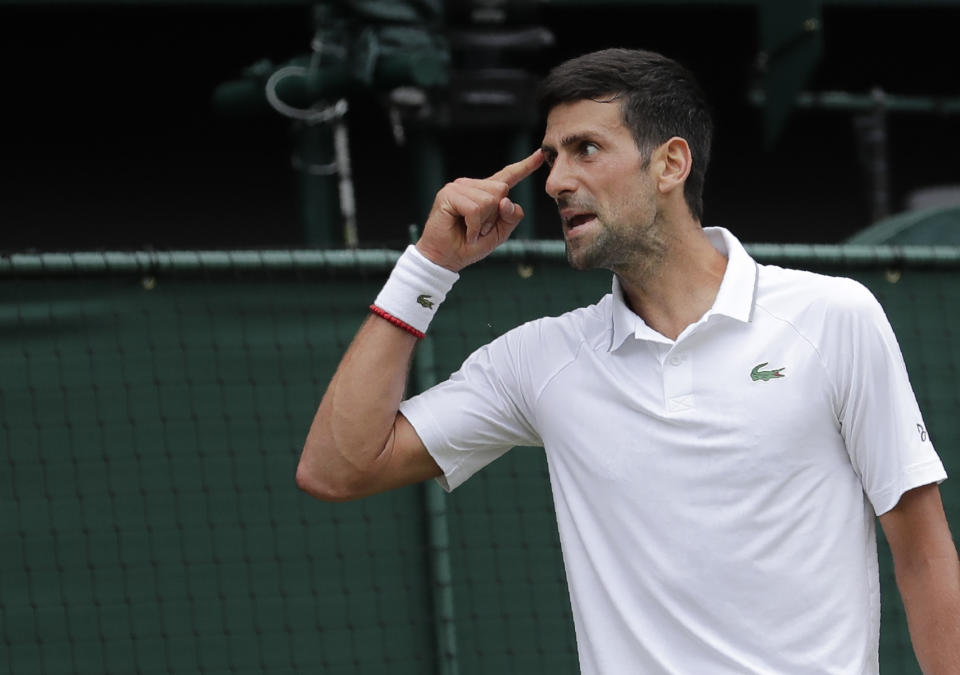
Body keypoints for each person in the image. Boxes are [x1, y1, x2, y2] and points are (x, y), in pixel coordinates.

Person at [297, 48, 960, 673]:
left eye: (586, 149)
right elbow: (338, 466)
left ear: (671, 165)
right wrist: (428, 266)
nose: (556, 181)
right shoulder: (540, 359)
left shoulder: (834, 317)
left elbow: (925, 555)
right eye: (552, 157)